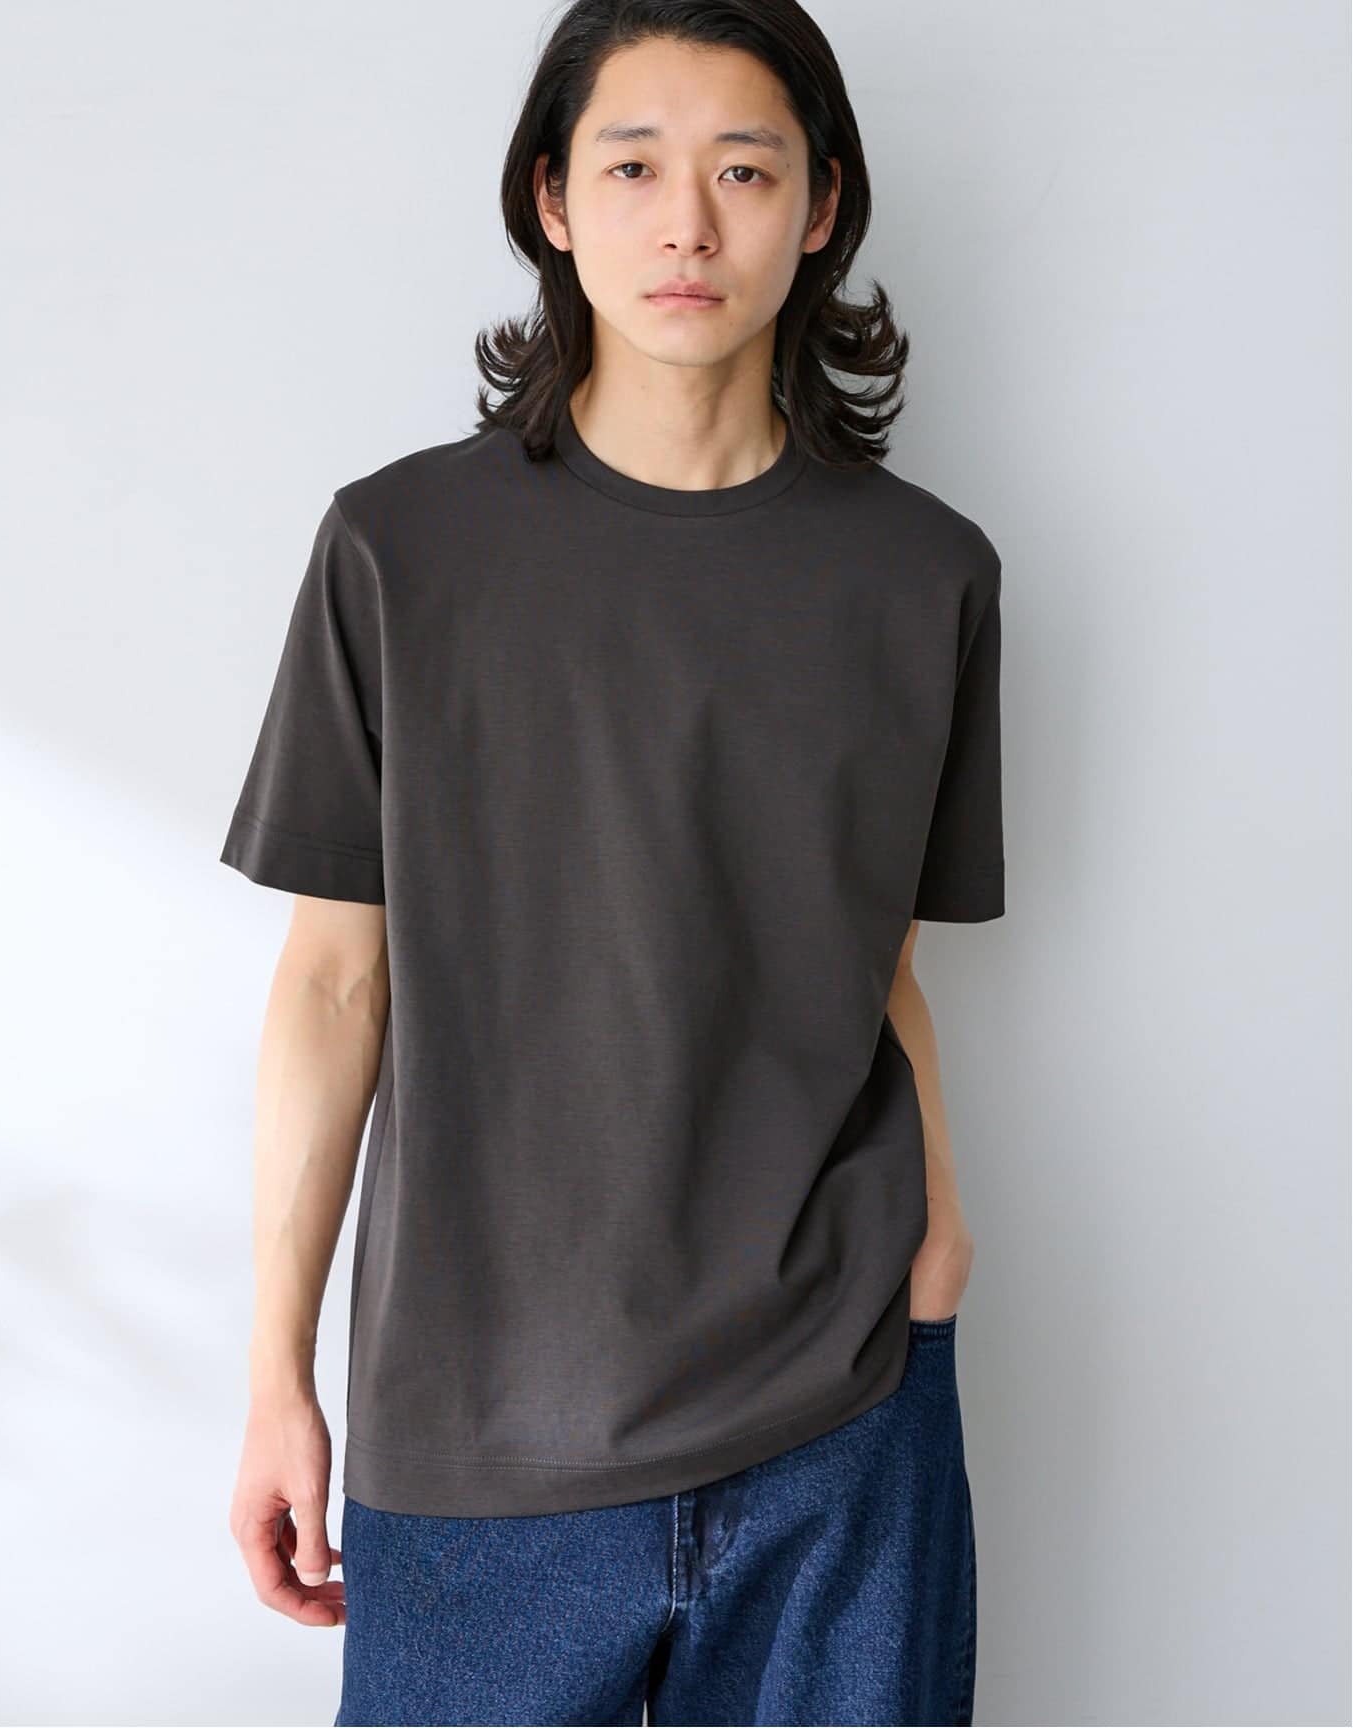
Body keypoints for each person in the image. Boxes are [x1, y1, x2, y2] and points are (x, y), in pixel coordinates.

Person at [220, 2, 1005, 1722]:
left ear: (821, 206)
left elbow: (882, 964)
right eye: (634, 166)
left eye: (746, 171)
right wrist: (278, 1370)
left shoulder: (926, 577)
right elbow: (335, 981)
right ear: (554, 202)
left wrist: (940, 1243)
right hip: (479, 1435)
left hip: (839, 1417)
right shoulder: (400, 549)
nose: (688, 225)